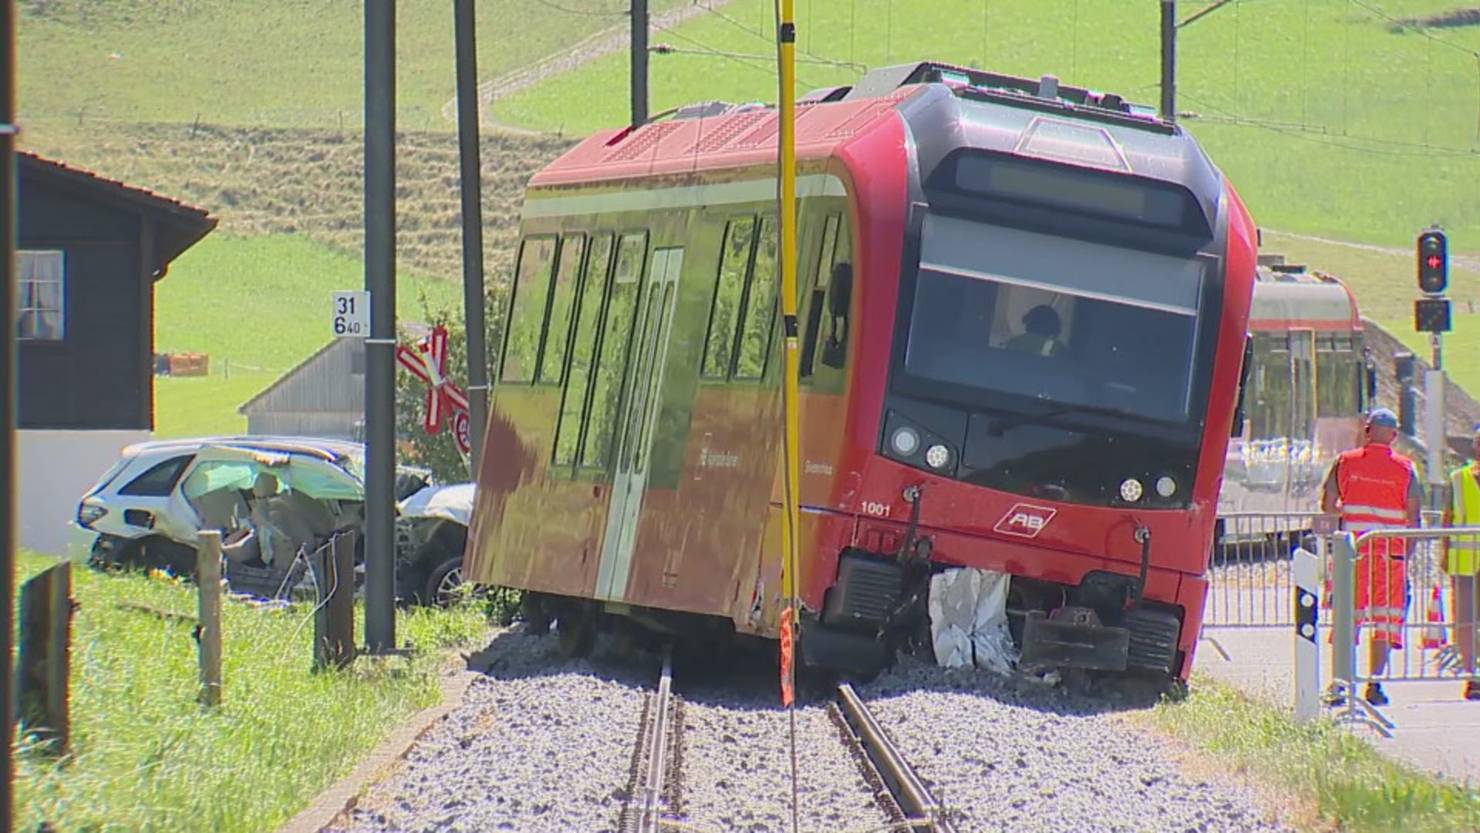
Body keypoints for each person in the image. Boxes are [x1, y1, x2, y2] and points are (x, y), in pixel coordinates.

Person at [1320, 408, 1423, 706]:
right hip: (1391, 557)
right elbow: (1413, 518)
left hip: (1352, 554)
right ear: (1393, 435)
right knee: (1386, 621)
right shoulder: (1406, 468)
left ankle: (1340, 684)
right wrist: (1406, 557)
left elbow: (1329, 504)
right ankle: (1374, 683)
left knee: (1347, 620)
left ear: (1367, 431)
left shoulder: (1345, 462)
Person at [1442, 424, 1480, 701]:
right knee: (1465, 621)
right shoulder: (1458, 479)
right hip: (1465, 562)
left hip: (1466, 560)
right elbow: (1448, 518)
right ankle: (1472, 675)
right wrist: (1444, 554)